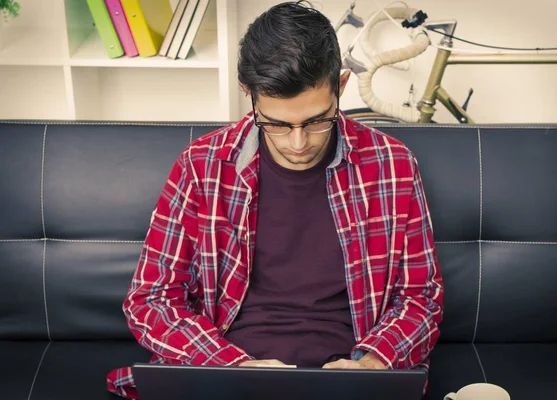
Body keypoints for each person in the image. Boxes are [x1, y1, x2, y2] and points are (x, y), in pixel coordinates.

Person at [107, 2, 443, 398]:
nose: (299, 143)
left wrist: (372, 363)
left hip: (347, 375)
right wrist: (231, 365)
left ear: (343, 84)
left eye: (318, 120)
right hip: (229, 370)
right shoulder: (201, 165)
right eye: (278, 124)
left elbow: (421, 298)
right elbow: (151, 300)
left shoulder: (393, 164)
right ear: (248, 94)